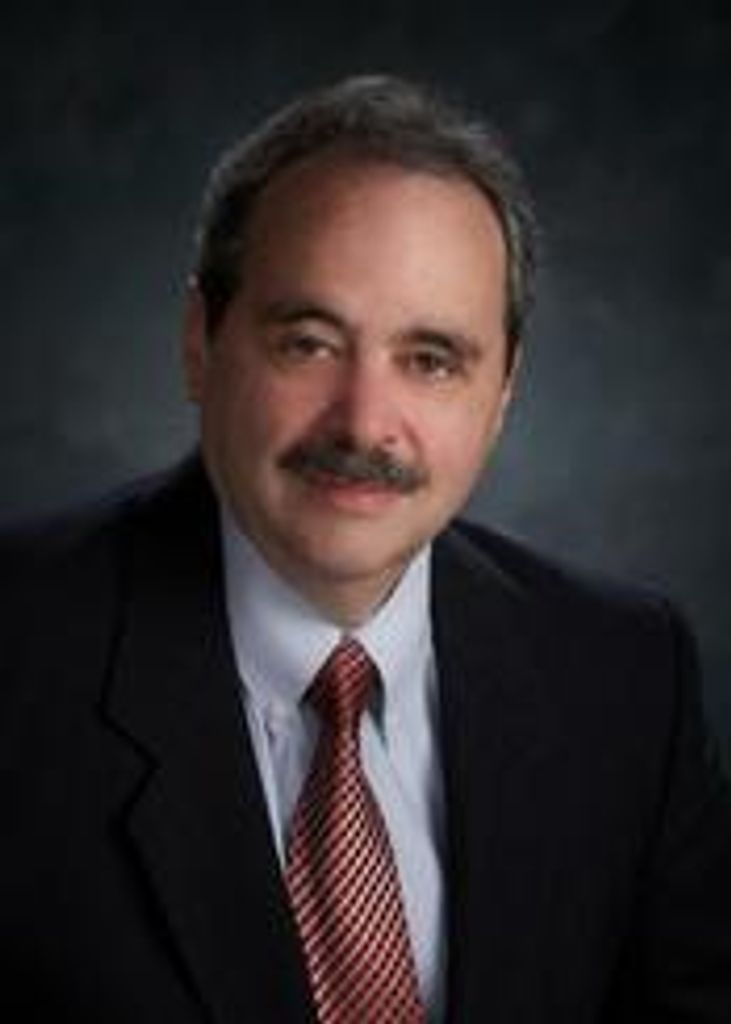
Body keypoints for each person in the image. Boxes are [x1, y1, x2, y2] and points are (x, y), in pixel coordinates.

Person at [1, 74, 730, 1024]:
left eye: (430, 361)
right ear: (200, 341)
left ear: (502, 393)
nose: (363, 422)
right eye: (308, 343)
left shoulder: (624, 677)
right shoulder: (21, 655)